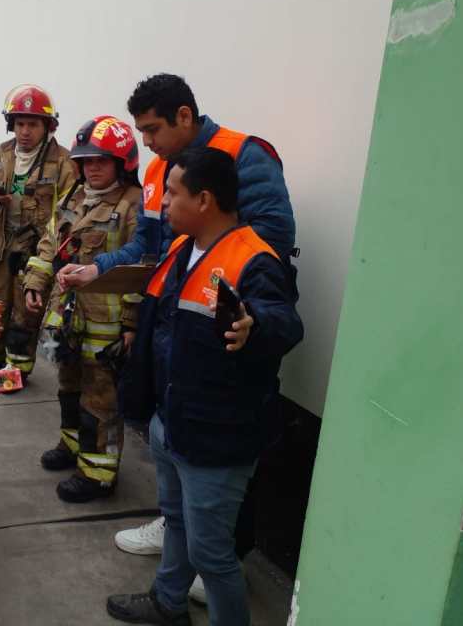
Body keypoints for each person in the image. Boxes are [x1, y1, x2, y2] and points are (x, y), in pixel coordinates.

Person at [60, 74, 296, 573]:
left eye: (152, 130)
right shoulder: (159, 169)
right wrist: (99, 269)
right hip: (171, 320)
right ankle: (177, 531)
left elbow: (271, 240)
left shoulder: (245, 155)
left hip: (223, 325)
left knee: (224, 448)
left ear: (184, 117)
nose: (146, 143)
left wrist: (218, 289)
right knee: (172, 434)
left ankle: (223, 560)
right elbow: (148, 246)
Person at [107, 148, 303, 626]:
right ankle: (168, 603)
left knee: (212, 555)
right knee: (175, 521)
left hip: (217, 438)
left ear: (205, 200)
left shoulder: (254, 259)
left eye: (172, 193)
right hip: (172, 421)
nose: (163, 202)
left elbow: (284, 322)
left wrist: (255, 326)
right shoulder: (182, 248)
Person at [22, 116, 143, 503]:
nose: (92, 168)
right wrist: (35, 284)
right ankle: (71, 445)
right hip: (68, 318)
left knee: (101, 399)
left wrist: (131, 323)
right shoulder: (73, 198)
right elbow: (49, 244)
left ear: (122, 163)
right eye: (86, 161)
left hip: (107, 325)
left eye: (101, 161)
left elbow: (140, 269)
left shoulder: (132, 205)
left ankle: (98, 474)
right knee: (69, 386)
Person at [0, 84, 76, 380]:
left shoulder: (64, 163)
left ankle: (16, 369)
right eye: (20, 124)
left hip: (35, 250)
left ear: (48, 126)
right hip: (2, 245)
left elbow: (67, 213)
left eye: (33, 124)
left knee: (25, 311)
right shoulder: (3, 154)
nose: (25, 131)